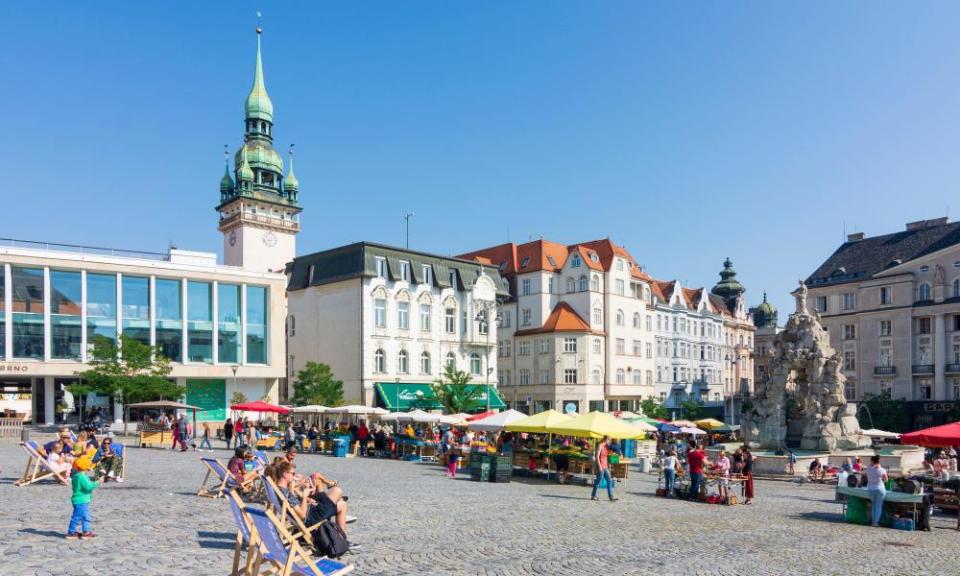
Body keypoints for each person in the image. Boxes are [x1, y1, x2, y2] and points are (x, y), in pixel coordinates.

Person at [66, 456, 100, 540]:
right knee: (76, 517)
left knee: (86, 516)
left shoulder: (76, 475)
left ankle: (86, 532)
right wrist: (97, 483)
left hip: (80, 500)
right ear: (86, 467)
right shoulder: (82, 477)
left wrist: (86, 471)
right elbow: (88, 487)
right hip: (81, 501)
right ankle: (71, 533)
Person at [591, 435, 618, 502]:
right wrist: (599, 466)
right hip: (600, 465)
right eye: (609, 440)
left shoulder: (606, 447)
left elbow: (607, 455)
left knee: (609, 480)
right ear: (606, 440)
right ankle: (593, 495)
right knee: (598, 481)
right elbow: (597, 456)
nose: (610, 442)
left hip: (605, 465)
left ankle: (610, 496)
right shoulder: (600, 445)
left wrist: (612, 452)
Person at [866, 455, 888, 527]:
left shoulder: (868, 468)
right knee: (878, 506)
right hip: (880, 488)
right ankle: (875, 523)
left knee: (874, 505)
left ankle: (873, 521)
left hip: (871, 489)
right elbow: (886, 480)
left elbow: (870, 465)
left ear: (872, 461)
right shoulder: (881, 470)